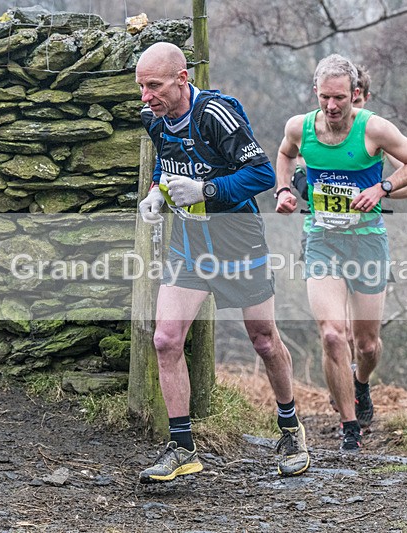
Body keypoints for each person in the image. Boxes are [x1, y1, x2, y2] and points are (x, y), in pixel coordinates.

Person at [135, 42, 310, 482]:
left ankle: (290, 428)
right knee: (165, 339)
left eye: (153, 86)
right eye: (140, 87)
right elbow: (165, 164)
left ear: (182, 79)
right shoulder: (153, 120)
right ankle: (181, 448)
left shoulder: (215, 114)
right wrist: (157, 192)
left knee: (264, 340)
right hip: (190, 245)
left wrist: (207, 192)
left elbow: (263, 175)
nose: (145, 96)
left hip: (238, 242)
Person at [275, 54, 407, 451]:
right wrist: (284, 190)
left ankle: (361, 384)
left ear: (355, 93)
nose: (331, 105)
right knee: (330, 334)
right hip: (322, 239)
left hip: (367, 241)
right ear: (316, 93)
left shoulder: (373, 127)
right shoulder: (299, 126)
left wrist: (382, 189)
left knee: (367, 344)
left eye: (340, 97)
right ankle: (349, 430)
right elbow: (285, 154)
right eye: (325, 97)